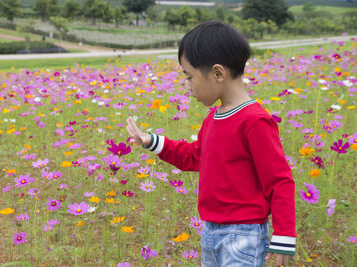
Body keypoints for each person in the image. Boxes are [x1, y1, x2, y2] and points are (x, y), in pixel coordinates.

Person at [126, 20, 296, 267]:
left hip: (243, 234)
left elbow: (279, 180)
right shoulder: (213, 118)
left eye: (189, 77)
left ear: (218, 73)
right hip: (211, 229)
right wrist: (152, 141)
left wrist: (284, 233)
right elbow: (195, 156)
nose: (188, 87)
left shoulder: (255, 121)